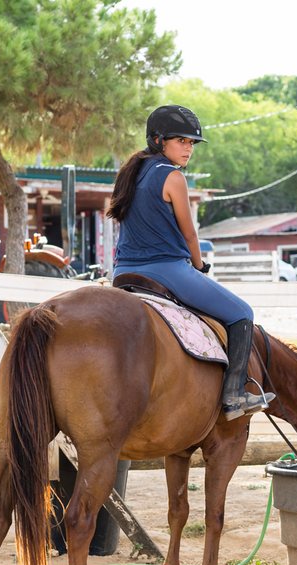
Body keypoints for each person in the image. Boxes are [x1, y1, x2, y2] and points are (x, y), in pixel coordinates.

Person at [107, 104, 274, 420]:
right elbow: (190, 236)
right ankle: (235, 395)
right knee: (242, 313)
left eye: (192, 143)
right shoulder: (172, 177)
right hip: (167, 269)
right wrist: (198, 267)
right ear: (159, 140)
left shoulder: (131, 173)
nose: (189, 148)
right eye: (181, 141)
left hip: (123, 271)